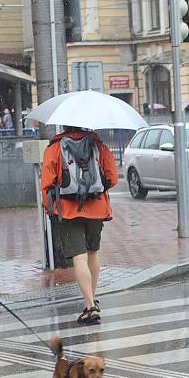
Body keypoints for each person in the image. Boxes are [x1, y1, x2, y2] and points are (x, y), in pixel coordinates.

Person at [40, 126, 118, 325]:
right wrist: (94, 190)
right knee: (93, 252)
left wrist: (51, 209)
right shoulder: (97, 144)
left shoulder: (55, 147)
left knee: (79, 256)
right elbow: (112, 177)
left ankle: (90, 306)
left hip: (68, 209)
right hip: (96, 207)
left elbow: (47, 184)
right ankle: (92, 300)